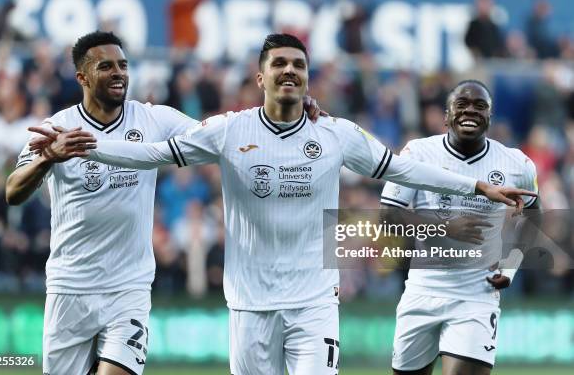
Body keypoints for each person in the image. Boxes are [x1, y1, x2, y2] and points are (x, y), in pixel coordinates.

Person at [32, 34, 534, 375]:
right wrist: (87, 144)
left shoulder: (335, 133)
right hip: (248, 304)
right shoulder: (229, 131)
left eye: (298, 65)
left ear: (308, 78)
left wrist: (477, 188)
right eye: (279, 64)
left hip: (314, 302)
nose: (290, 71)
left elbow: (400, 168)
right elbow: (152, 154)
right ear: (261, 77)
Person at [7, 31, 323, 375]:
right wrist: (47, 159)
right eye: (106, 66)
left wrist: (287, 109)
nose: (119, 73)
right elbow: (13, 191)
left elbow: (224, 137)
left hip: (129, 288)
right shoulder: (58, 128)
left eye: (123, 65)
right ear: (82, 77)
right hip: (69, 286)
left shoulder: (153, 119)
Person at [380, 80, 540, 375]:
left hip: (476, 295)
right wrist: (446, 229)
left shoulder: (517, 164)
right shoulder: (418, 154)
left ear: (490, 117)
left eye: (480, 106)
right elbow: (388, 216)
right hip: (422, 290)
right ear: (446, 116)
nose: (471, 111)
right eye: (461, 104)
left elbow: (534, 216)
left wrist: (511, 266)